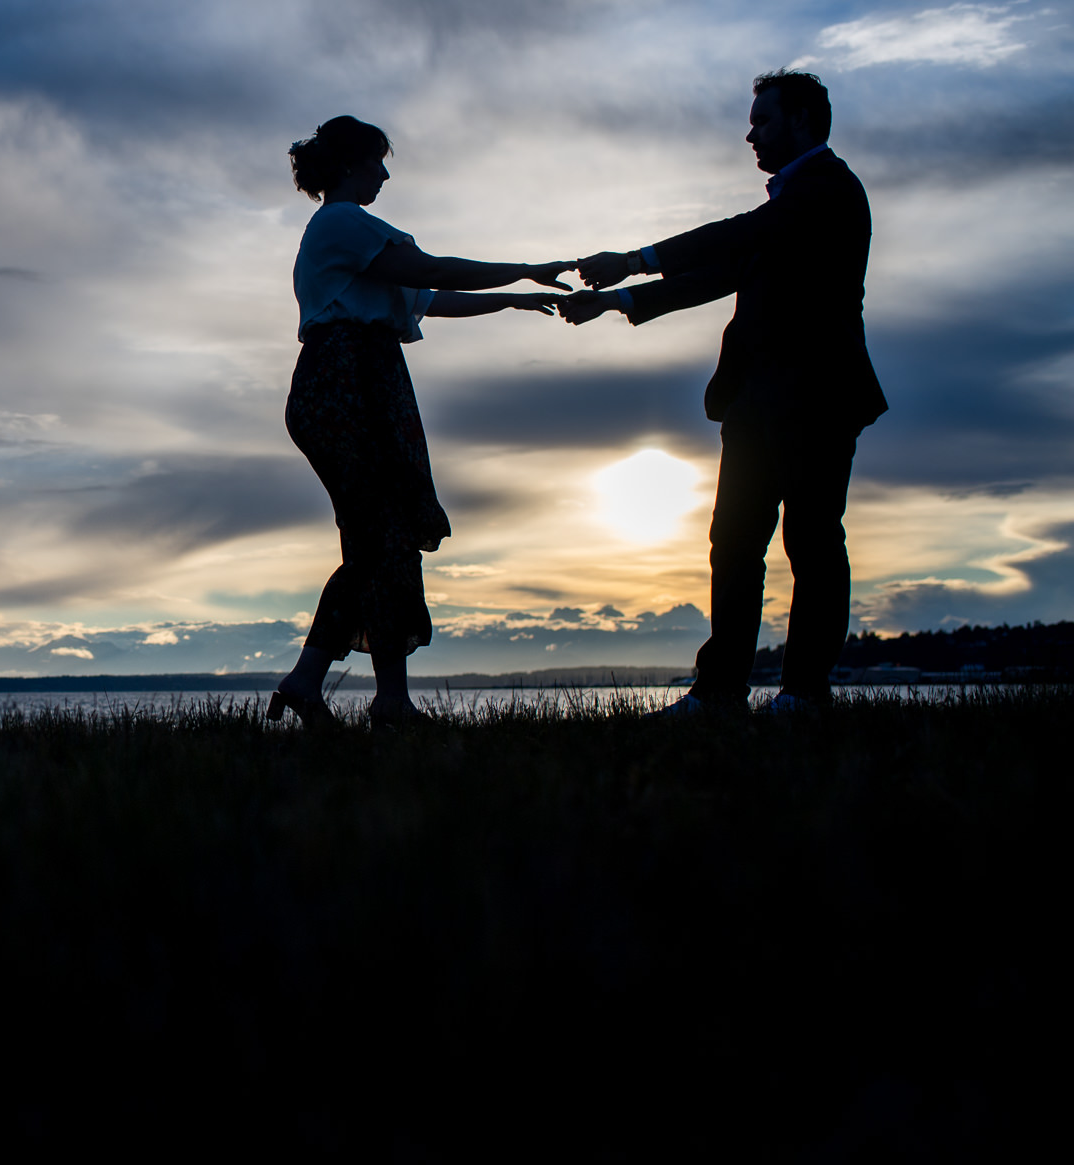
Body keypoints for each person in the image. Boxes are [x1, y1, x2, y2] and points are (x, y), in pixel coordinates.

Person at [559, 70, 886, 715]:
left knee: (812, 541)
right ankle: (719, 691)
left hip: (817, 398)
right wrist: (618, 300)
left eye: (762, 120)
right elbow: (722, 273)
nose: (750, 132)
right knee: (735, 541)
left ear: (801, 121)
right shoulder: (788, 206)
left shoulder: (825, 191)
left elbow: (736, 238)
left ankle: (803, 691)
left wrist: (633, 258)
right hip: (757, 403)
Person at [269, 115, 573, 727]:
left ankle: (361, 693)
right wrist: (523, 270)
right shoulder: (341, 223)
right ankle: (357, 693)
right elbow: (431, 271)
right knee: (381, 535)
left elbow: (432, 296)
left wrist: (511, 297)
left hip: (369, 380)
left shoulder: (359, 236)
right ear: (352, 162)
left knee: (385, 538)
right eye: (378, 161)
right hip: (344, 384)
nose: (385, 173)